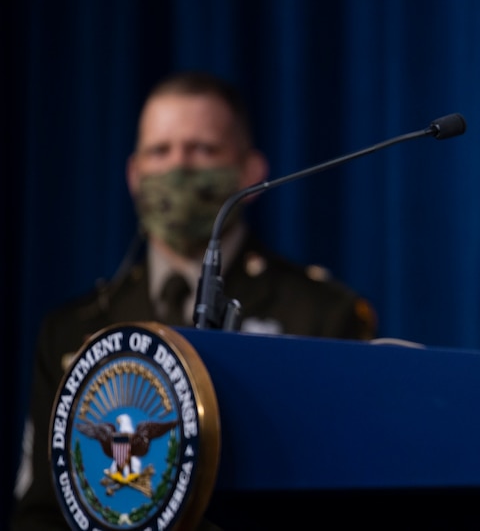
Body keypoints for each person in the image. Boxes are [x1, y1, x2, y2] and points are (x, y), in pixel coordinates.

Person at [12, 70, 378, 530]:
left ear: (251, 171)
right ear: (134, 173)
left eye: (202, 149)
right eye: (159, 151)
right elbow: (41, 511)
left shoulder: (322, 314)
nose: (178, 167)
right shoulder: (70, 328)